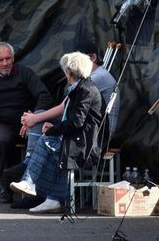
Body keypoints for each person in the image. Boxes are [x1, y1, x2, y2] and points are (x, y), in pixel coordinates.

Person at [10, 52, 104, 213]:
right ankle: (52, 198)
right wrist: (53, 128)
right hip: (76, 137)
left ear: (69, 72)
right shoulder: (80, 88)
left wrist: (54, 129)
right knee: (52, 146)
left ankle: (33, 184)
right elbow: (71, 118)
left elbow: (76, 122)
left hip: (84, 142)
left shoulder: (85, 90)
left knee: (47, 142)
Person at [0, 42, 52, 202]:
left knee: (46, 137)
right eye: (1, 60)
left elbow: (44, 96)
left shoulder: (25, 73)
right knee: (2, 140)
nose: (5, 63)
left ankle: (38, 188)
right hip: (1, 124)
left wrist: (32, 117)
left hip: (26, 122)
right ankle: (6, 187)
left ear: (13, 58)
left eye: (8, 59)